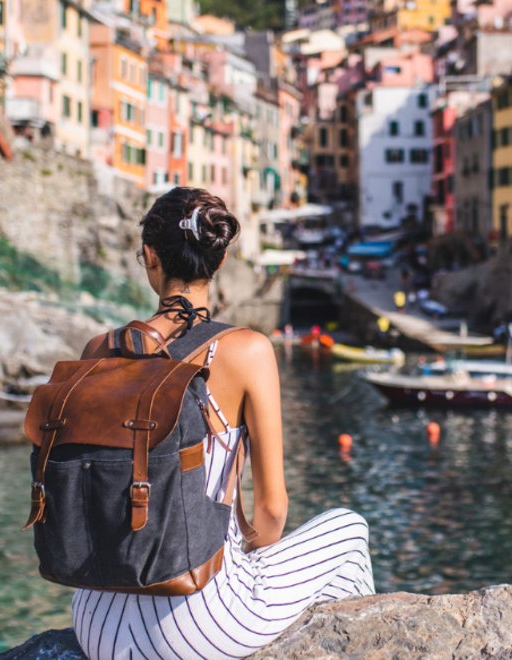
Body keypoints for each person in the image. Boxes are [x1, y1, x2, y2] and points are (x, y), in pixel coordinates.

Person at [73, 188, 374, 660]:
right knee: (349, 530)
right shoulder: (247, 351)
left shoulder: (99, 351)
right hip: (194, 626)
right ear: (222, 256)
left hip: (94, 619)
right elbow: (272, 514)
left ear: (150, 257)